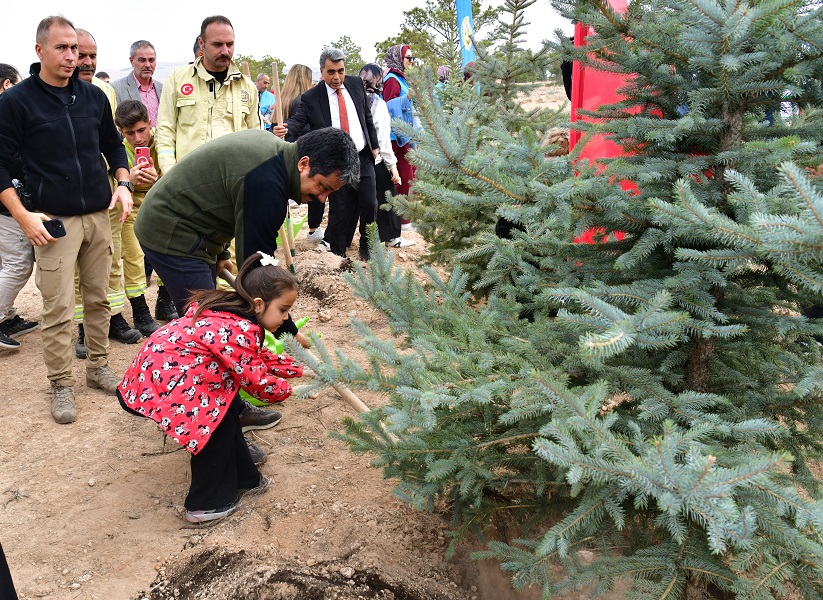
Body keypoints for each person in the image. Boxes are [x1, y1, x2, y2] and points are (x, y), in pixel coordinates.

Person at [135, 126, 358, 461]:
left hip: (196, 228)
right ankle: (224, 442)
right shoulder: (267, 182)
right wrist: (288, 331)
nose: (322, 198)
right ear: (304, 164)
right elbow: (259, 282)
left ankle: (234, 409)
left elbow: (226, 200)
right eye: (322, 187)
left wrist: (219, 249)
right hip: (172, 233)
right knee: (213, 337)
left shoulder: (274, 158)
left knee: (224, 327)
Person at [0, 16, 133, 424]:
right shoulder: (16, 102)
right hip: (53, 220)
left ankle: (98, 368)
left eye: (75, 48)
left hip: (98, 213)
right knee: (58, 307)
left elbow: (114, 145)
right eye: (62, 48)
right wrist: (22, 216)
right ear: (39, 51)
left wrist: (123, 183)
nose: (72, 56)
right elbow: (1, 166)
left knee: (99, 298)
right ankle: (60, 384)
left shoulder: (93, 97)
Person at [118, 253, 305, 523]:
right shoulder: (238, 329)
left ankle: (245, 478)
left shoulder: (236, 316)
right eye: (284, 310)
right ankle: (206, 505)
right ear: (259, 303)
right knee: (212, 432)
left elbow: (257, 357)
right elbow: (258, 383)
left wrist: (300, 368)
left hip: (171, 375)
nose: (286, 318)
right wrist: (299, 390)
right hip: (166, 384)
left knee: (227, 418)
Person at [72, 28, 143, 354]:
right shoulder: (44, 96)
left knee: (110, 259)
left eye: (91, 56)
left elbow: (113, 143)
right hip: (67, 198)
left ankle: (114, 318)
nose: (85, 62)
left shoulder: (103, 91)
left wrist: (124, 183)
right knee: (76, 268)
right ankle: (84, 328)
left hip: (107, 193)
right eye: (78, 54)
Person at [274, 47, 379, 260]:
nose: (337, 77)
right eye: (331, 72)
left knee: (369, 204)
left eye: (340, 71)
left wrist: (374, 145)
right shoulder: (312, 97)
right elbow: (298, 120)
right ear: (322, 71)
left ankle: (368, 250)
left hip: (362, 155)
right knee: (340, 208)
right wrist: (285, 128)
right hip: (336, 161)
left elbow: (366, 116)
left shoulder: (356, 84)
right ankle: (338, 253)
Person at [156, 15, 260, 175]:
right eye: (217, 44)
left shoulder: (247, 87)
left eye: (230, 44)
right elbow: (165, 130)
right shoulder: (177, 79)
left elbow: (256, 137)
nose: (225, 51)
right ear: (201, 43)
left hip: (233, 180)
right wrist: (171, 174)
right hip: (188, 179)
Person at [113, 100, 163, 337]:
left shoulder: (163, 144)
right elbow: (113, 190)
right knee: (134, 258)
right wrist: (128, 181)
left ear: (150, 123)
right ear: (121, 132)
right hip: (129, 209)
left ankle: (165, 302)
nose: (138, 138)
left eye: (142, 130)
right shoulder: (117, 152)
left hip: (159, 206)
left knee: (167, 254)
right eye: (129, 133)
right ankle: (140, 312)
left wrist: (157, 179)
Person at [0, 63, 39, 351]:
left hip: (12, 201)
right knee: (18, 263)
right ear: (7, 85)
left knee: (10, 262)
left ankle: (8, 317)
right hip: (6, 205)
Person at [359, 63, 414, 249]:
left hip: (355, 157)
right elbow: (381, 138)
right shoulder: (378, 103)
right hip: (375, 158)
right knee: (389, 195)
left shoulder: (354, 99)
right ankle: (392, 238)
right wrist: (393, 166)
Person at [278, 64, 320, 241]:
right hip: (302, 152)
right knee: (317, 188)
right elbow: (302, 128)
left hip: (287, 151)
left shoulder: (284, 99)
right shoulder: (302, 100)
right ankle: (314, 229)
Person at [382, 44, 416, 232]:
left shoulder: (401, 78)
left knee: (409, 173)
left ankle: (406, 217)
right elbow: (386, 107)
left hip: (405, 134)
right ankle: (403, 220)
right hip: (396, 137)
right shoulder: (392, 80)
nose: (412, 61)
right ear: (398, 59)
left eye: (413, 58)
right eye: (408, 58)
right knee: (403, 174)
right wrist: (406, 98)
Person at [111, 40, 162, 127]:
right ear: (131, 61)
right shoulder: (116, 89)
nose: (148, 65)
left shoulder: (163, 88)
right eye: (142, 60)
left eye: (151, 60)